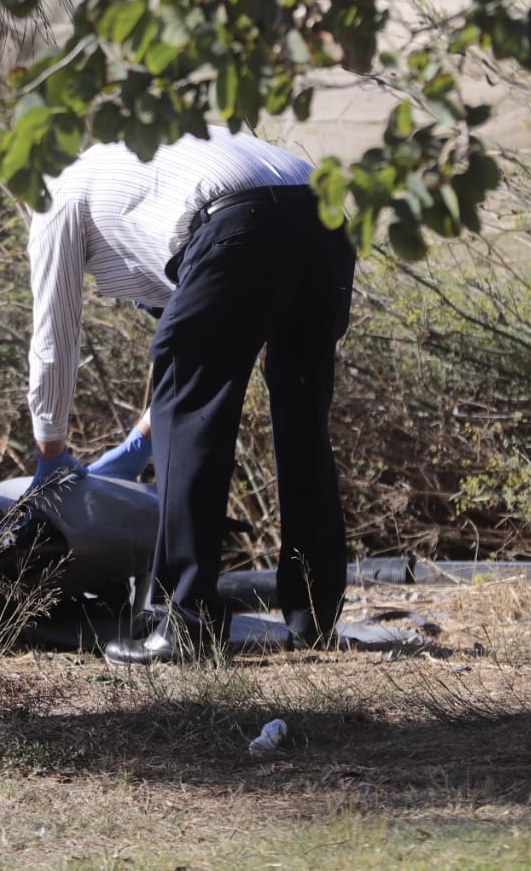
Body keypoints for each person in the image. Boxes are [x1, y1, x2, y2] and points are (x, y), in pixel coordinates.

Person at [24, 127, 357, 664]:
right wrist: (147, 432)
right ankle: (313, 618)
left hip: (239, 223)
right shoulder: (139, 164)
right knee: (302, 423)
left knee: (198, 423)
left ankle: (186, 625)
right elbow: (190, 338)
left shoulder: (55, 198)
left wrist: (51, 450)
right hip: (323, 216)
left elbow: (53, 339)